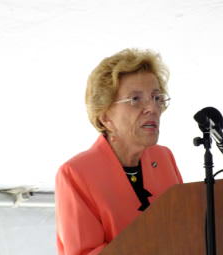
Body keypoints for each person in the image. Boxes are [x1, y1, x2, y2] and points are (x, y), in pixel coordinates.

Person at [55, 48, 183, 255]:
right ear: (105, 116)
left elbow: (186, 229)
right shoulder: (75, 173)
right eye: (135, 99)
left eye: (157, 97)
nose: (152, 108)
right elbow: (84, 252)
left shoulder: (163, 157)